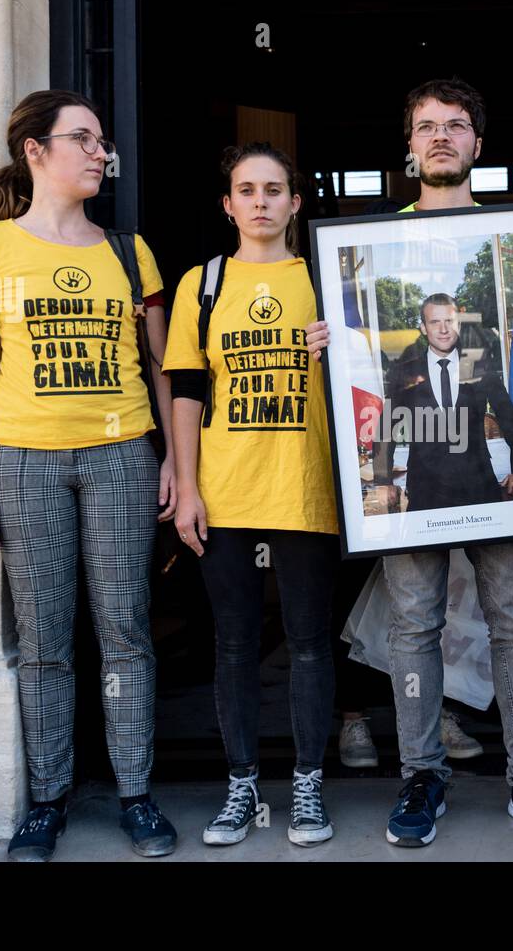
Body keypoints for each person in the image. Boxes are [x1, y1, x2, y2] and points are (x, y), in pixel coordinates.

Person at [306, 78, 513, 849]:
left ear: (477, 145)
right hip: (420, 488)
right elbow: (378, 404)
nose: (440, 137)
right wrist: (324, 348)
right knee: (413, 627)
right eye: (426, 126)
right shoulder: (370, 242)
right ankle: (421, 775)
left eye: (455, 126)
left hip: (494, 491)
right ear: (409, 143)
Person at [0, 89, 178, 861]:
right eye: (81, 138)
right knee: (45, 638)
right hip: (22, 459)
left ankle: (136, 793)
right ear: (36, 151)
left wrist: (175, 458)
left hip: (121, 454)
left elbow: (160, 366)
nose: (99, 153)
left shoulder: (129, 251)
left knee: (124, 630)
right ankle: (47, 799)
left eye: (102, 141)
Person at [165, 142, 340, 848]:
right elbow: (184, 388)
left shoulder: (326, 280)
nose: (261, 200)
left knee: (308, 643)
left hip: (307, 486)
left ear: (296, 202)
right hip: (225, 489)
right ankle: (241, 785)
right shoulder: (201, 285)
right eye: (247, 189)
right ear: (229, 204)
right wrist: (185, 487)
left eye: (274, 189)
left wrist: (340, 349)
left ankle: (307, 784)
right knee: (234, 643)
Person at [371, 293, 513, 511]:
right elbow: (385, 428)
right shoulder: (406, 372)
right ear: (423, 328)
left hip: (479, 487)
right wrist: (383, 480)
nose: (443, 329)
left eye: (449, 321)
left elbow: (507, 414)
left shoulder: (478, 366)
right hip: (424, 491)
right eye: (435, 322)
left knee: (505, 548)